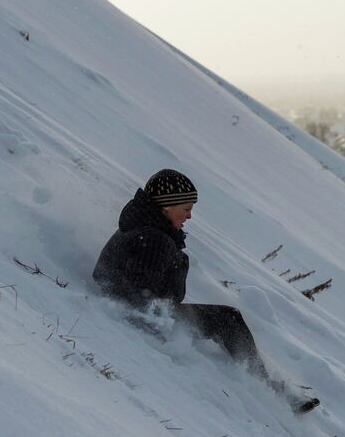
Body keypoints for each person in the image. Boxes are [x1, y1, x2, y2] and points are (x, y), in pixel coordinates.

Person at [93, 169, 319, 414]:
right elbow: (143, 297)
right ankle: (268, 387)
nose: (190, 215)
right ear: (167, 206)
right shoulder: (154, 238)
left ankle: (269, 381)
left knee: (223, 318)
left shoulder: (148, 228)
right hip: (140, 313)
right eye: (186, 207)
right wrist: (162, 327)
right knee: (228, 319)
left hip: (137, 305)